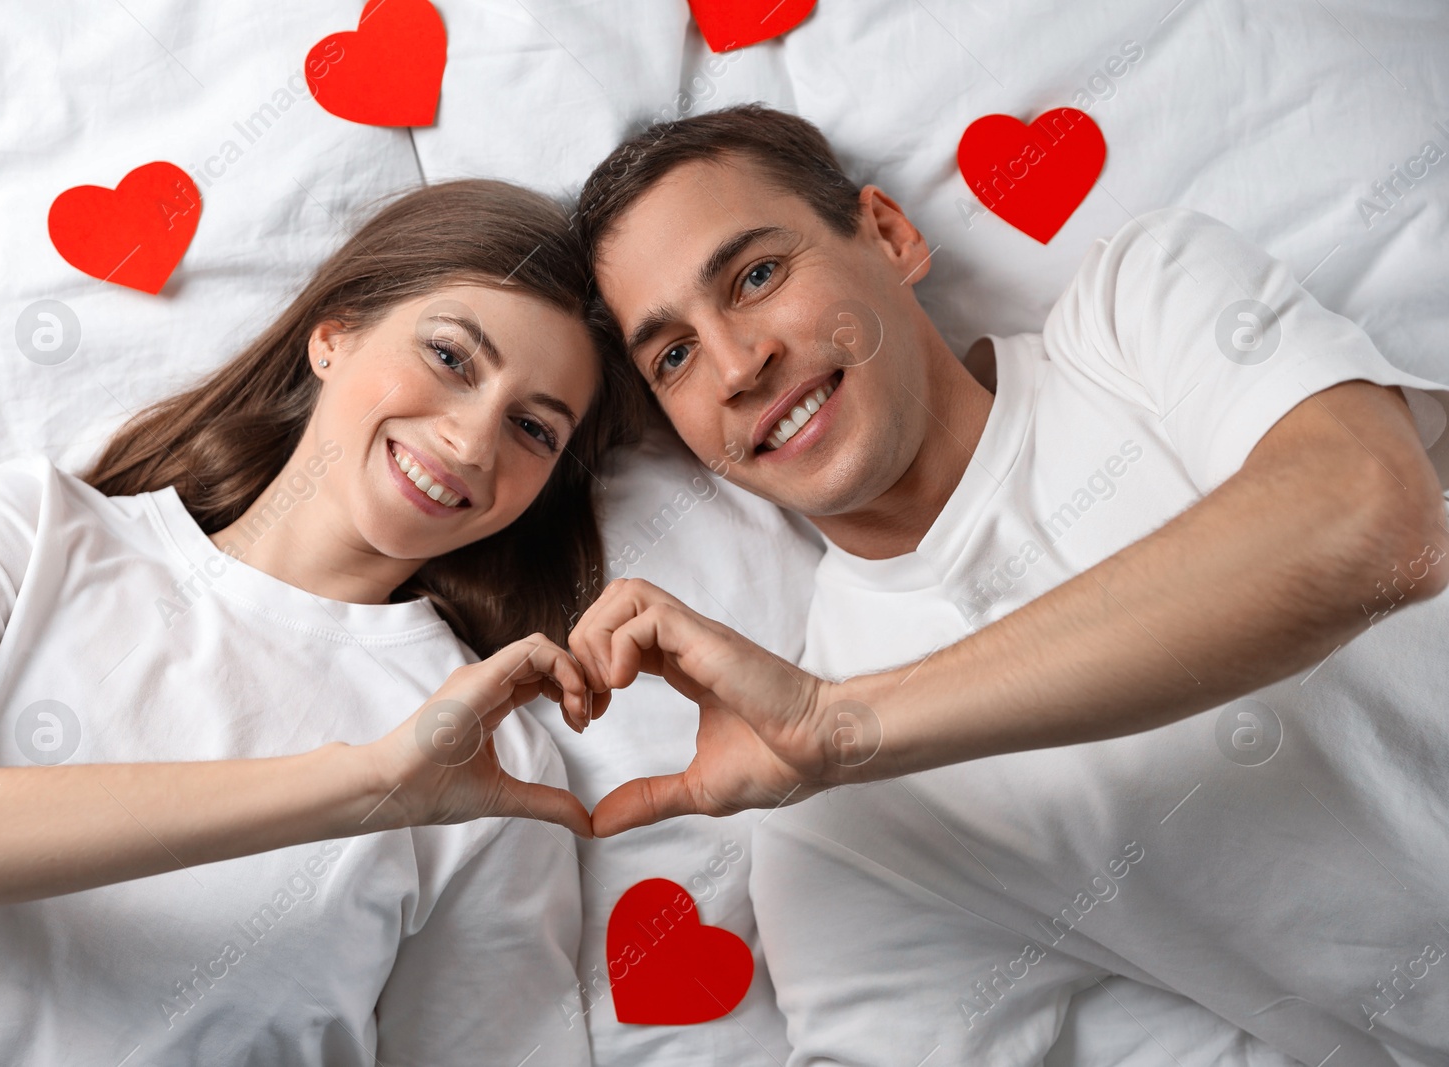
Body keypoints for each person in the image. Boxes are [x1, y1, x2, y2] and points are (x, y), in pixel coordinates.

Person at [566, 105, 1449, 1066]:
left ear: (891, 236)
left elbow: (1375, 519)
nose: (738, 365)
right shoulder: (832, 814)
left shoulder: (1138, 308)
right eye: (675, 356)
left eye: (759, 276)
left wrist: (847, 723)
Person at [0, 179, 642, 1066]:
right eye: (452, 358)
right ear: (333, 335)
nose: (470, 441)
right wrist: (365, 783)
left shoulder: (493, 758)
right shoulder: (36, 531)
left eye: (533, 428)